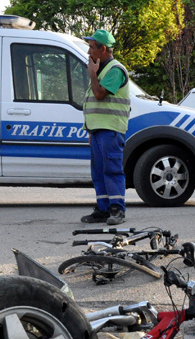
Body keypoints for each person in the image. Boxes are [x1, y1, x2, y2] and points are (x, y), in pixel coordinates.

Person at [80, 29, 130, 225]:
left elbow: (100, 94)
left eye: (92, 48)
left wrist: (92, 74)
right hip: (98, 129)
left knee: (112, 170)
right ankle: (103, 209)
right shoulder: (102, 68)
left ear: (103, 49)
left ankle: (117, 209)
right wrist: (91, 129)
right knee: (99, 171)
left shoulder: (115, 70)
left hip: (110, 129)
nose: (88, 52)